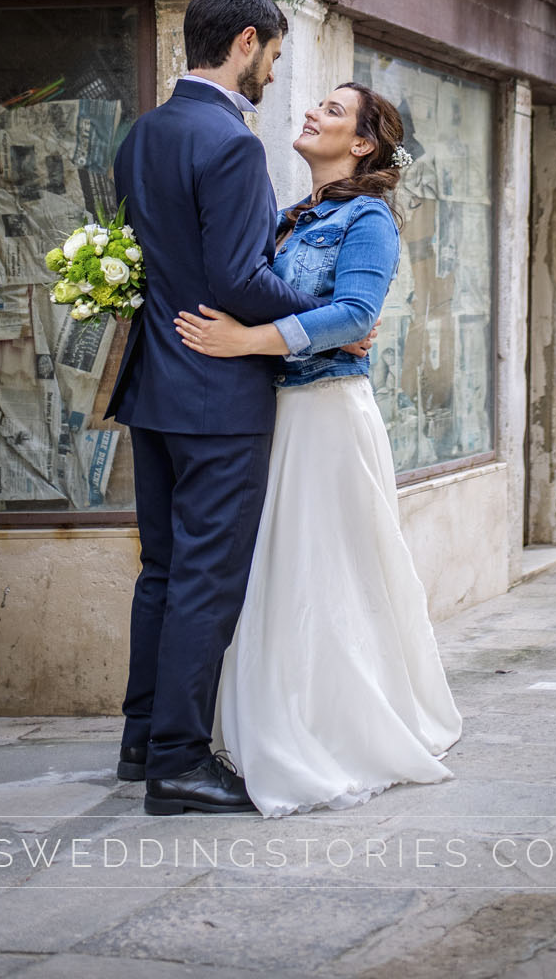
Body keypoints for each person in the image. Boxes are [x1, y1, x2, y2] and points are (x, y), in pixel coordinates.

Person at [108, 0, 371, 817]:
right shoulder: (229, 144)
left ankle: (143, 738)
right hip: (217, 393)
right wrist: (329, 322)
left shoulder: (142, 134)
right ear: (248, 43)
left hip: (153, 386)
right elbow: (236, 279)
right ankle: (181, 764)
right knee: (207, 581)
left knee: (163, 570)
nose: (272, 77)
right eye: (275, 59)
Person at [176, 81, 462, 818]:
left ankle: (331, 724)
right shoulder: (285, 218)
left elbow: (356, 315)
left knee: (322, 571)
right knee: (278, 568)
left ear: (363, 143)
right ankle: (271, 712)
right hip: (276, 416)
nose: (311, 112)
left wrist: (246, 340)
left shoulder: (368, 219)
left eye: (333, 111)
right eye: (317, 105)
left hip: (328, 414)